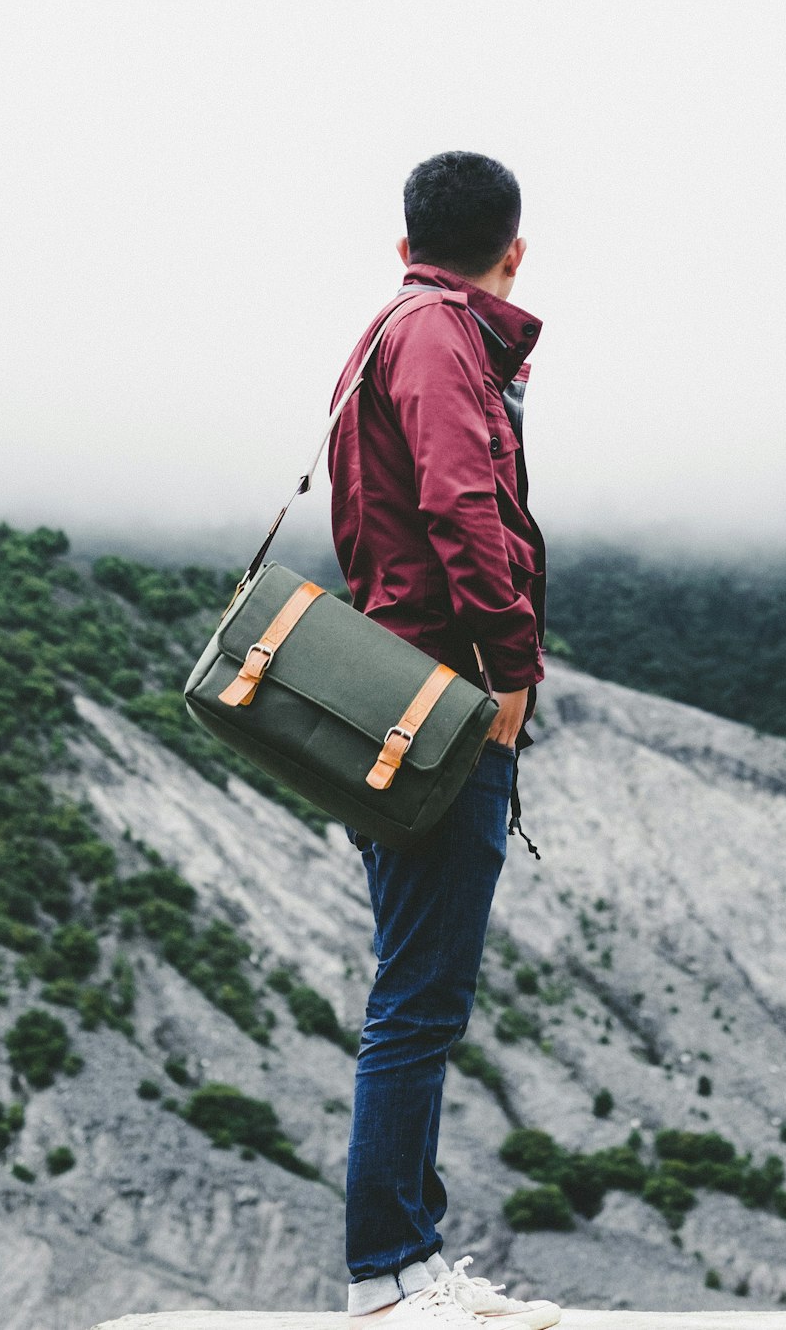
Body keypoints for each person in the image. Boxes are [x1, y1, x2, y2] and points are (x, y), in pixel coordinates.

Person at [329, 152, 559, 1330]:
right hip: (438, 699)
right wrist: (510, 669)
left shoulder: (400, 328)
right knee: (417, 1000)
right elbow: (462, 507)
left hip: (405, 689)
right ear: (511, 248)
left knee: (417, 991)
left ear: (406, 235)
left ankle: (409, 1262)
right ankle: (390, 1273)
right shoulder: (436, 337)